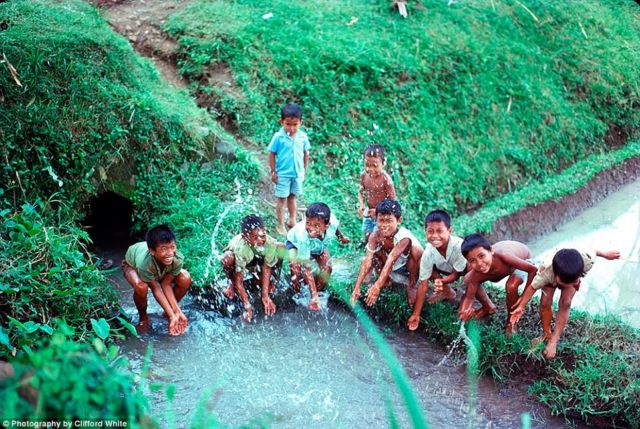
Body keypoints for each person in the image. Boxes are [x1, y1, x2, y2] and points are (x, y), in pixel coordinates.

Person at [509, 247, 620, 359]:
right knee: (545, 302)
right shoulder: (546, 273)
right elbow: (532, 287)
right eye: (565, 283)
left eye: (573, 281)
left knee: (566, 302)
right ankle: (546, 334)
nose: (567, 286)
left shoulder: (586, 261)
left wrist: (606, 254)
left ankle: (553, 340)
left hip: (571, 272)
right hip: (552, 275)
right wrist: (521, 306)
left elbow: (595, 250)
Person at [350, 198, 423, 308]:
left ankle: (412, 285)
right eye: (381, 220)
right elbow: (367, 261)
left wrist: (377, 286)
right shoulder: (375, 235)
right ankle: (386, 280)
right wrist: (357, 287)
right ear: (376, 219)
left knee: (417, 250)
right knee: (373, 252)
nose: (384, 225)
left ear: (399, 220)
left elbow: (391, 260)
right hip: (392, 265)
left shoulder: (404, 237)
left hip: (408, 266)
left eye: (389, 221)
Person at [459, 234, 537, 336]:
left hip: (523, 259)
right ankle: (488, 307)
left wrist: (523, 299)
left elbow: (532, 270)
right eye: (472, 260)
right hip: (499, 258)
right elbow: (469, 298)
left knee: (511, 286)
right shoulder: (475, 271)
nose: (479, 263)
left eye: (482, 256)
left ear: (491, 251)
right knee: (468, 279)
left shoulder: (504, 256)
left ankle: (511, 321)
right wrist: (465, 311)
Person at [121, 225, 192, 335]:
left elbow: (165, 285)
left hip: (160, 268)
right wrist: (172, 316)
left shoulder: (177, 258)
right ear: (152, 251)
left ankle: (167, 312)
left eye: (172, 247)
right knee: (141, 286)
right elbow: (156, 288)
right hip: (132, 266)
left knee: (185, 277)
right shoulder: (144, 264)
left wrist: (176, 312)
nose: (170, 253)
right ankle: (143, 319)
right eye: (164, 248)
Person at [407, 209, 467, 331]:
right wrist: (415, 314)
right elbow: (423, 284)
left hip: (464, 270)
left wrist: (442, 282)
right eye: (430, 231)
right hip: (445, 270)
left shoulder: (459, 246)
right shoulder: (429, 251)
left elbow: (456, 275)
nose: (435, 236)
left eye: (440, 231)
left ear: (449, 231)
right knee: (424, 265)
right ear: (425, 232)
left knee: (471, 274)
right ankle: (447, 292)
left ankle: (477, 301)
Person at [221, 214, 285, 322]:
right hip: (239, 260)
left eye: (262, 236)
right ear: (245, 237)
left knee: (281, 247)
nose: (260, 240)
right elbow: (240, 280)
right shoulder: (240, 248)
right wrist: (247, 305)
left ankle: (271, 283)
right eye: (255, 237)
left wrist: (265, 295)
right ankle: (231, 284)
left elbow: (267, 267)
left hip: (257, 257)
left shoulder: (269, 242)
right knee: (227, 258)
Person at [287, 202, 350, 310]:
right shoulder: (303, 235)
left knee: (327, 269)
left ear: (327, 225)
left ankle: (318, 293)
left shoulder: (332, 221)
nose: (311, 229)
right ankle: (297, 296)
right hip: (296, 244)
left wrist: (341, 237)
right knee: (296, 271)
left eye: (316, 226)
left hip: (318, 246)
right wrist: (313, 295)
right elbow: (307, 267)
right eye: (308, 223)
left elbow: (336, 228)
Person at [268, 103, 310, 235]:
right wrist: (274, 171)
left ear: (300, 123)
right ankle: (280, 224)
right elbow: (272, 153)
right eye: (288, 124)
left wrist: (304, 170)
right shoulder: (278, 137)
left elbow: (306, 153)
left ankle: (292, 220)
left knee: (293, 197)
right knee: (282, 199)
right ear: (282, 122)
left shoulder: (302, 137)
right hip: (283, 175)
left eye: (295, 125)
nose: (291, 128)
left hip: (297, 174)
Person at [357, 144, 396, 244]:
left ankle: (380, 257)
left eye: (375, 165)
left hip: (383, 215)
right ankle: (370, 255)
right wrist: (361, 204)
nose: (370, 169)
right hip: (369, 213)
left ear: (383, 163)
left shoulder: (386, 180)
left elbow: (392, 202)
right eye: (367, 165)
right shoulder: (364, 176)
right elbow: (361, 192)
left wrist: (378, 211)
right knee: (367, 236)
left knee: (379, 239)